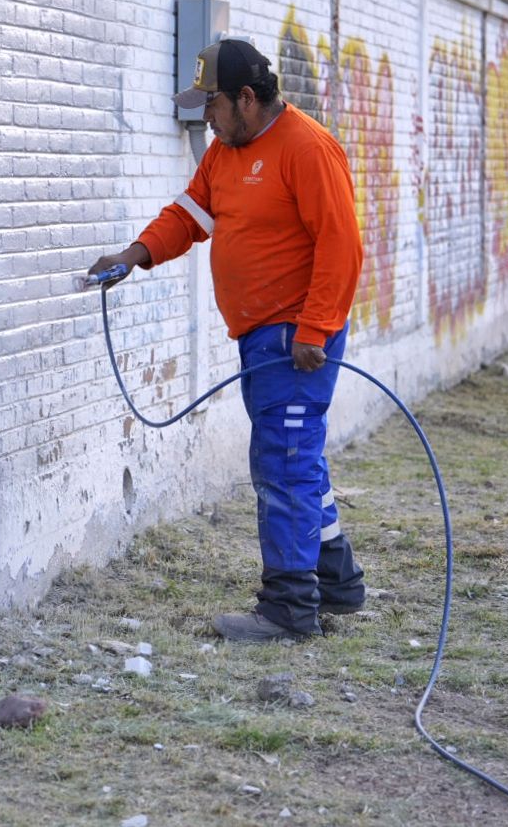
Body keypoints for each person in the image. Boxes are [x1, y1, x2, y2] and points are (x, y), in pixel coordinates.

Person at [87, 38, 366, 642]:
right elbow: (191, 216)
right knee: (298, 455)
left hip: (297, 338)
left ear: (246, 98)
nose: (204, 117)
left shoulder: (308, 150)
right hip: (261, 338)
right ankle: (337, 579)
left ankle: (289, 608)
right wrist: (135, 255)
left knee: (283, 460)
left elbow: (341, 248)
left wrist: (314, 330)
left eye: (211, 104)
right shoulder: (226, 154)